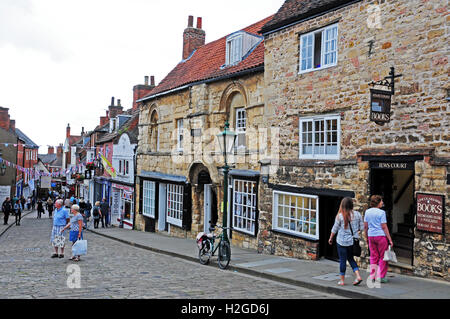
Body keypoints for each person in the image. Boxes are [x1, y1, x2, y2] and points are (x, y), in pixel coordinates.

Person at [328, 197, 364, 286]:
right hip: (352, 241)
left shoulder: (340, 216)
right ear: (352, 205)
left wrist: (330, 238)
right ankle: (358, 276)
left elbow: (334, 229)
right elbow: (362, 227)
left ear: (343, 205)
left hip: (342, 241)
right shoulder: (358, 214)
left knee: (343, 260)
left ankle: (342, 281)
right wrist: (356, 231)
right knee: (351, 258)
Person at [364, 195, 394, 284]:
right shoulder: (381, 213)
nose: (382, 203)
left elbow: (365, 226)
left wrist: (366, 237)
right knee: (382, 257)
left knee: (373, 256)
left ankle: (373, 275)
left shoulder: (367, 212)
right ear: (378, 203)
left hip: (371, 236)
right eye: (381, 201)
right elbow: (384, 227)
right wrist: (390, 239)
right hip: (380, 236)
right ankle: (380, 277)